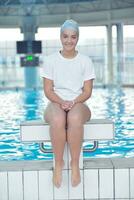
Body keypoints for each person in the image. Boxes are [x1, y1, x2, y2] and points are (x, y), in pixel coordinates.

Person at [42, 19, 95, 188]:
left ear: (77, 38)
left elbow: (87, 92)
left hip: (78, 102)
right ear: (60, 37)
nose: (69, 41)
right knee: (58, 119)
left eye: (73, 37)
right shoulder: (50, 60)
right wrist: (62, 101)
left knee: (74, 117)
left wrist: (73, 101)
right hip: (56, 102)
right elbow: (48, 90)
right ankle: (59, 164)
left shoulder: (85, 61)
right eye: (65, 36)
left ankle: (74, 163)